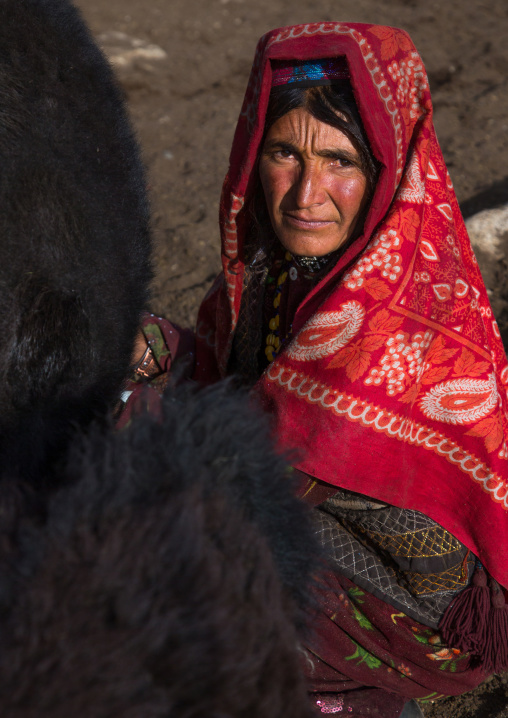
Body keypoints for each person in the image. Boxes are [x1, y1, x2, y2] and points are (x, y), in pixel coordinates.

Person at [126, 22, 508, 718]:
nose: (306, 194)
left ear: (388, 169)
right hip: (293, 517)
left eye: (340, 161)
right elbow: (227, 378)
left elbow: (435, 563)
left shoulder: (404, 319)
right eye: (283, 153)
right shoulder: (274, 271)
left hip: (411, 612)